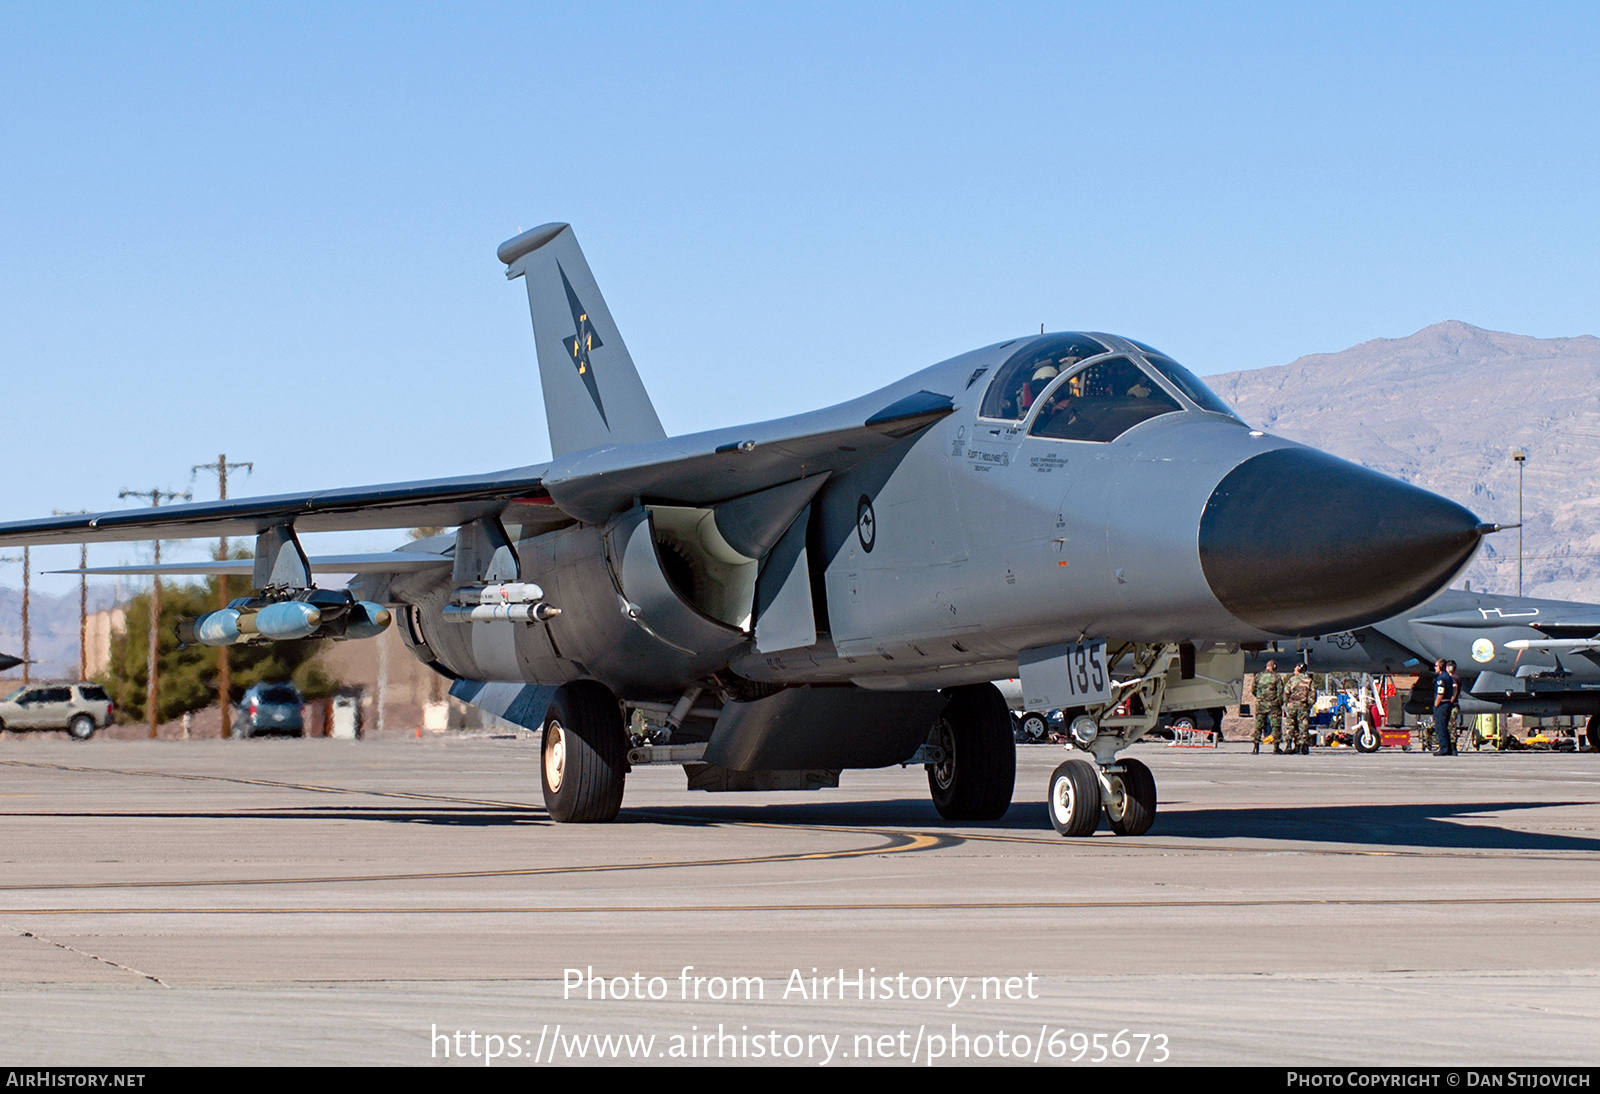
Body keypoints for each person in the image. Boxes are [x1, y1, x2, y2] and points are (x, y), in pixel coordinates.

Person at [1280, 663, 1315, 754]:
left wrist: (1287, 703)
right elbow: (1312, 695)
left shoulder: (1292, 680)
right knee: (1303, 726)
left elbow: (1286, 693)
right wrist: (1308, 706)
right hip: (1302, 706)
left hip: (1292, 705)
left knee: (1290, 725)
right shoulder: (1309, 681)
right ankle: (1302, 747)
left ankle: (1288, 745)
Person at [1251, 660, 1283, 755]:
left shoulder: (1259, 676)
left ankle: (1256, 747)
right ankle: (1276, 747)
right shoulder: (1276, 677)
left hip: (1261, 705)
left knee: (1258, 725)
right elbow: (1280, 692)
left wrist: (1260, 698)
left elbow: (1253, 690)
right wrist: (1279, 703)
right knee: (1275, 726)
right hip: (1273, 705)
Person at [1433, 658, 1459, 756]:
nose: (1435, 668)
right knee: (1444, 727)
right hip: (1447, 704)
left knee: (1440, 728)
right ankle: (1448, 748)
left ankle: (1444, 748)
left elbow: (1440, 692)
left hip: (1442, 705)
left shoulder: (1441, 678)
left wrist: (1436, 704)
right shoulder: (1448, 676)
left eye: (1436, 666)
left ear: (1440, 667)